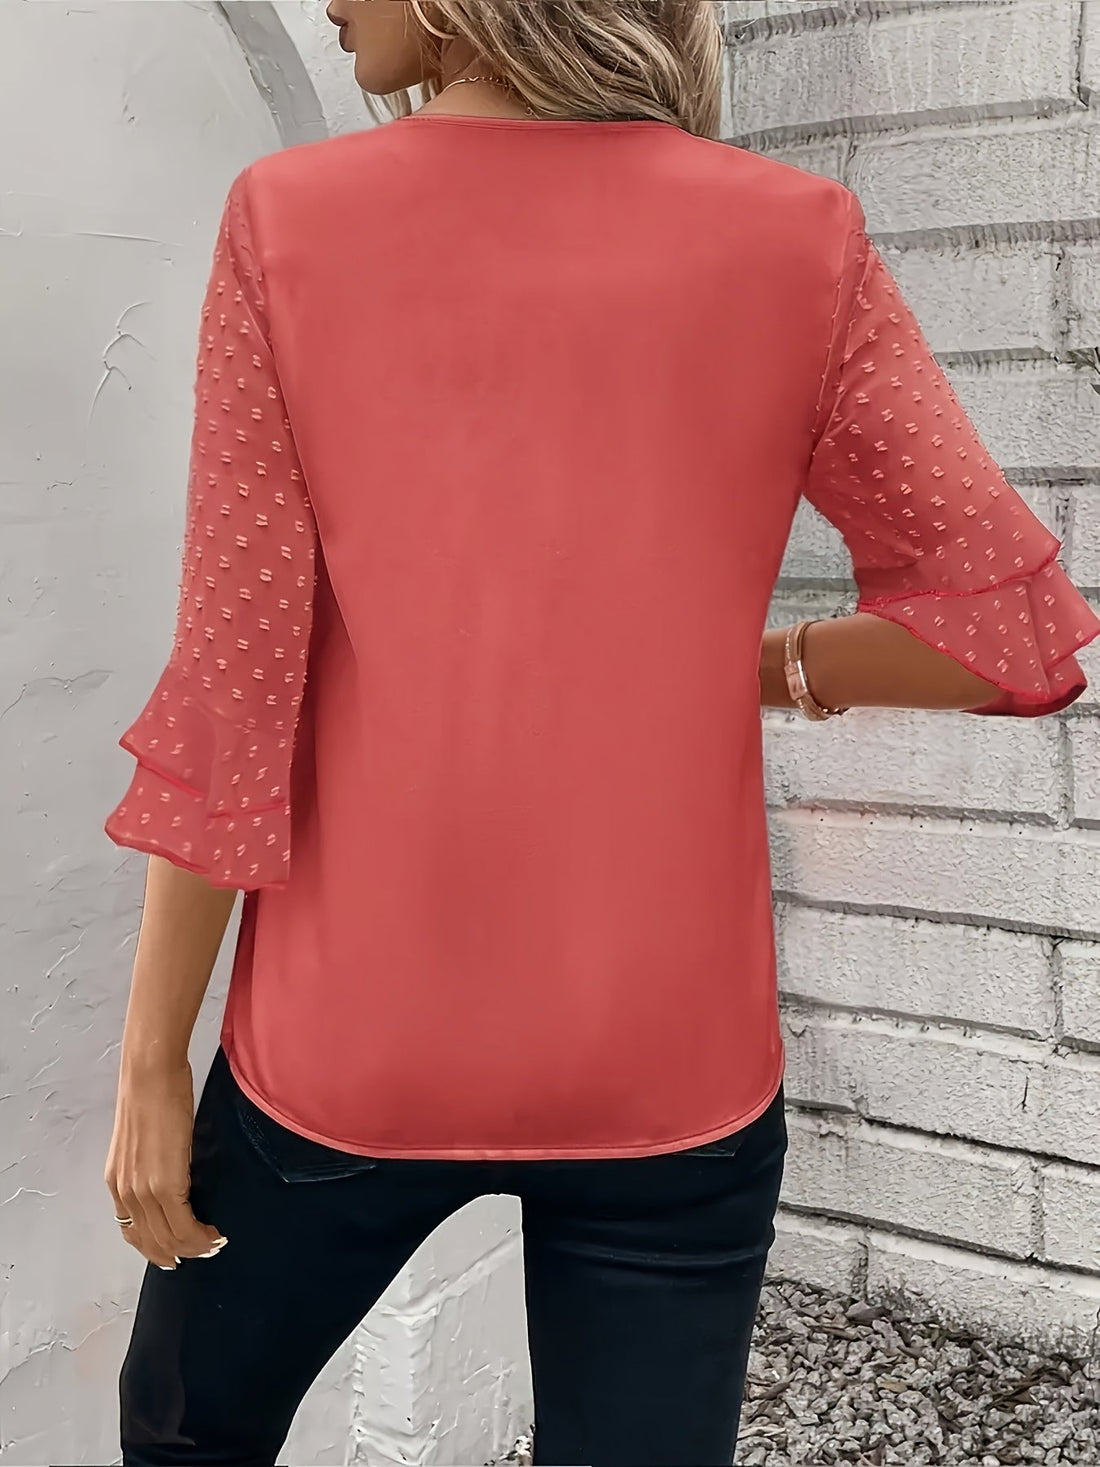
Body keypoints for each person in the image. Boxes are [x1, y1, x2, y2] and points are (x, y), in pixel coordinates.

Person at [101, 3, 1100, 1464]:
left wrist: (150, 1060)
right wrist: (759, 668)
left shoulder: (290, 221)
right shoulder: (797, 236)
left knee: (183, 1431)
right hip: (674, 1063)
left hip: (350, 1048)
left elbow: (238, 686)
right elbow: (1008, 633)